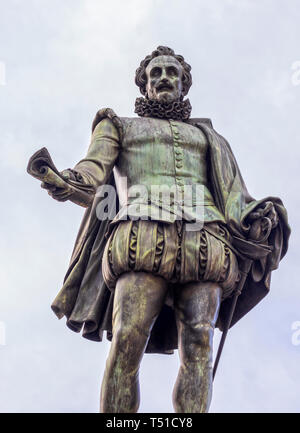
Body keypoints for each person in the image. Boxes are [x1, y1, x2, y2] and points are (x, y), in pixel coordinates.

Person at [40, 46, 290, 413]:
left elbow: (234, 194)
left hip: (207, 243)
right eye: (155, 73)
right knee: (127, 339)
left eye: (172, 72)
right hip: (139, 237)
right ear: (144, 84)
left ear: (184, 83)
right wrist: (68, 181)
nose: (164, 78)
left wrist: (257, 217)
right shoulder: (118, 125)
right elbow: (92, 171)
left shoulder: (209, 137)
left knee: (199, 345)